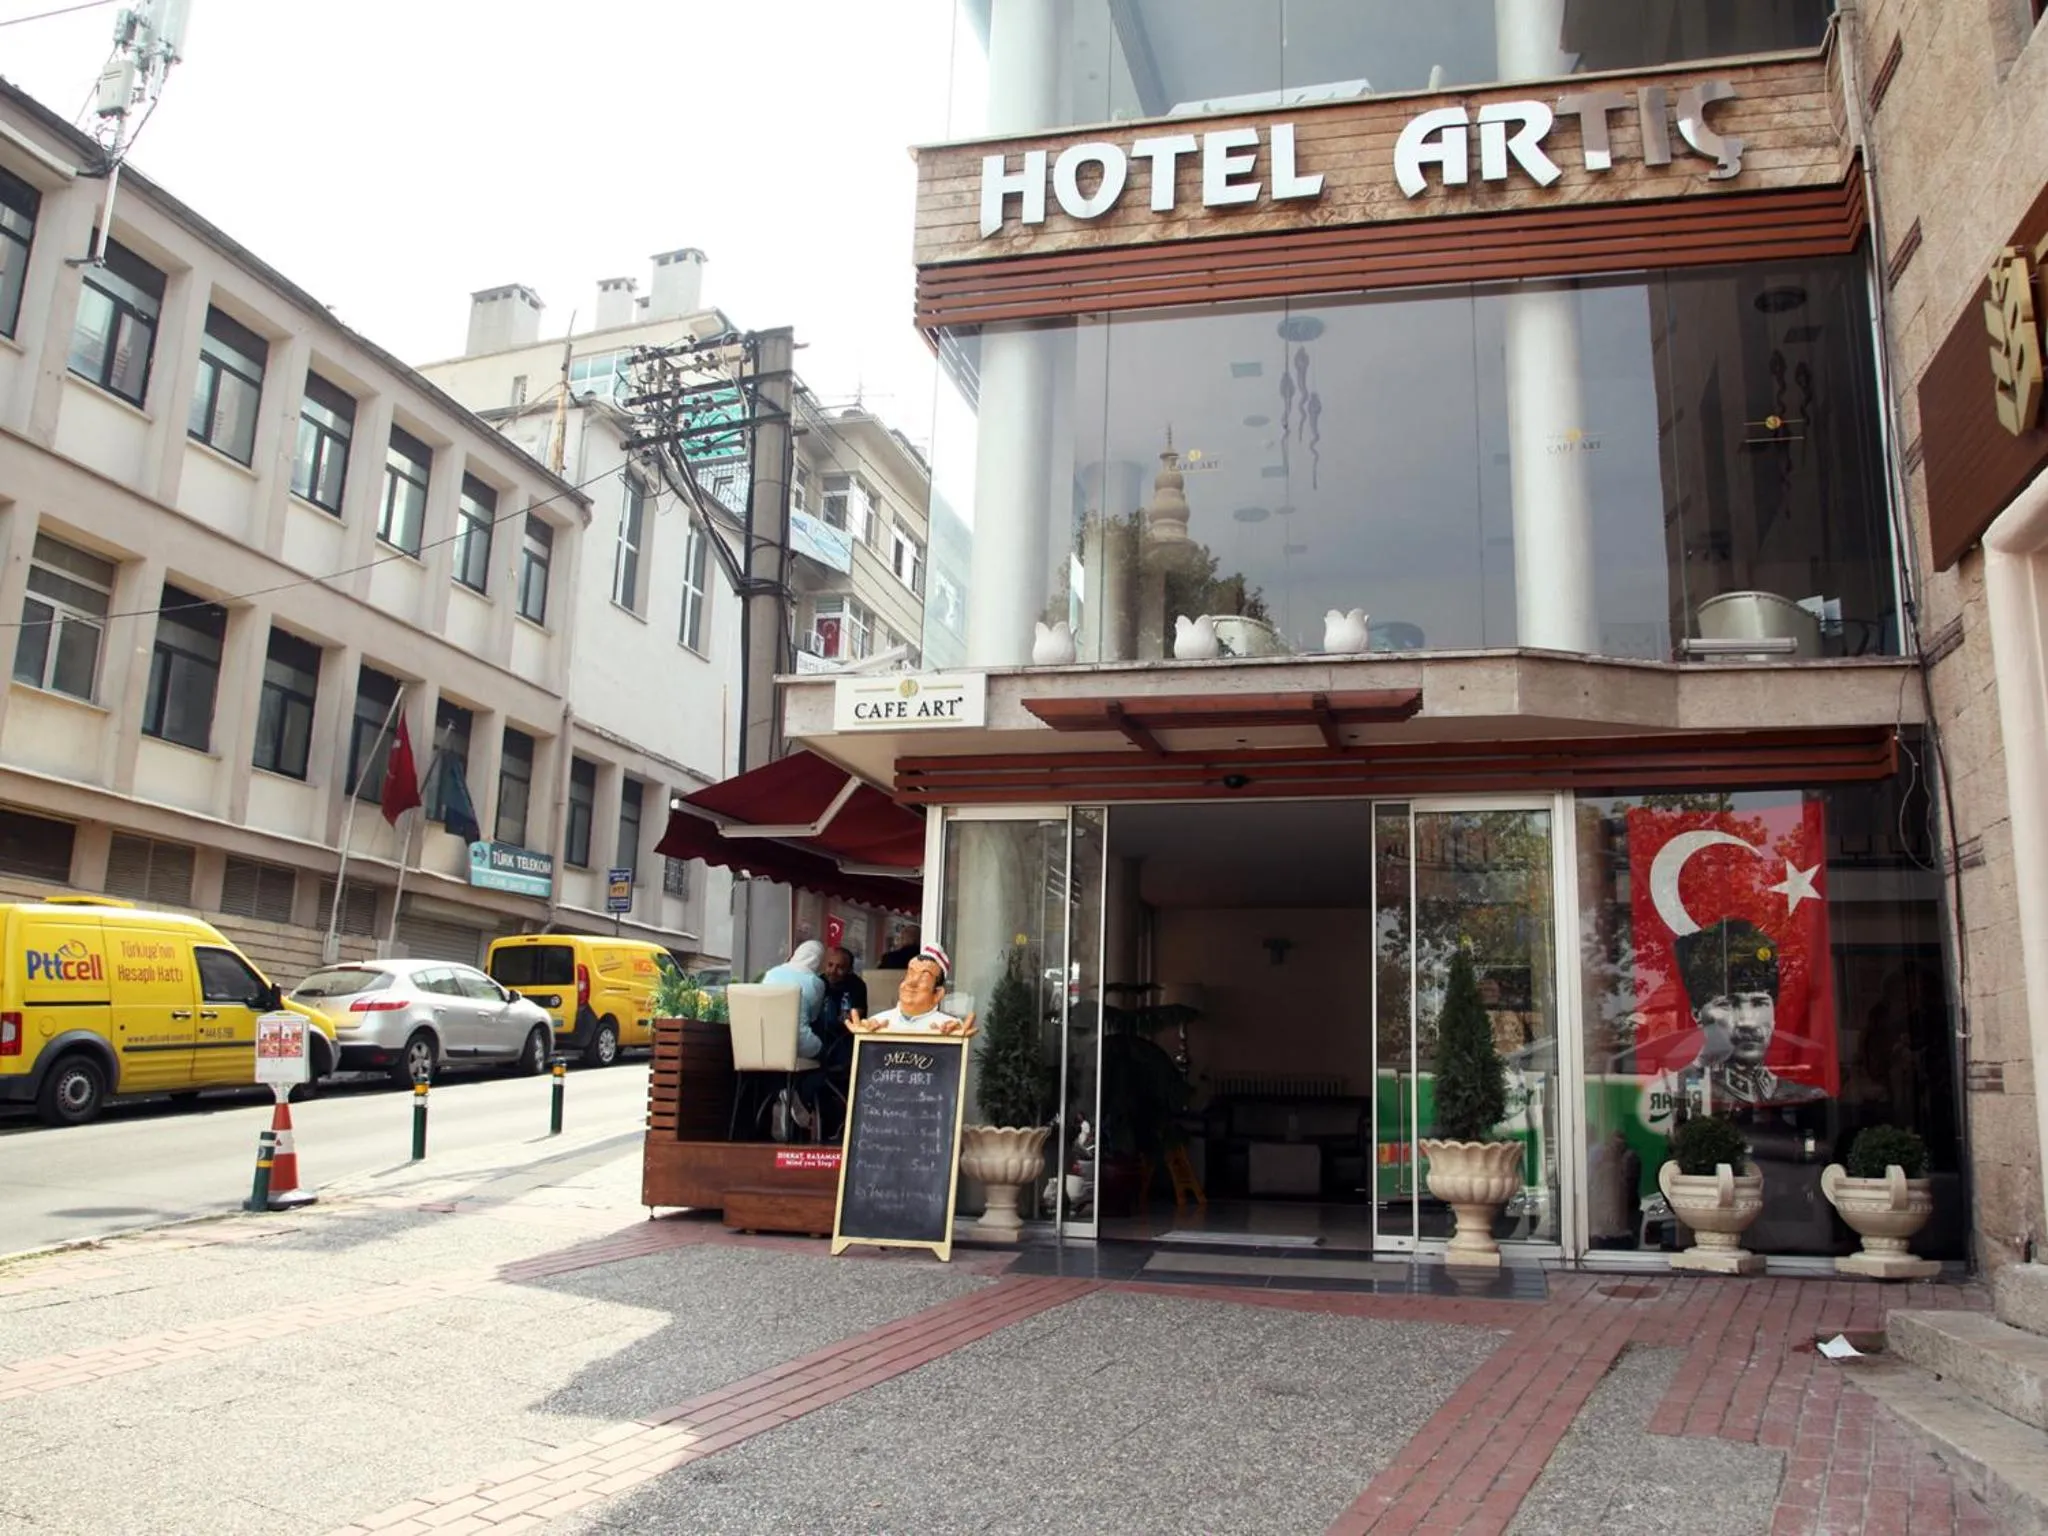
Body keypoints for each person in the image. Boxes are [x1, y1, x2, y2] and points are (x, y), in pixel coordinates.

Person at [1674, 918, 1825, 1107]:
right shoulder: (1675, 1092)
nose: (1747, 1021)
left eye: (1759, 1002)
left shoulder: (1804, 1097)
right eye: (1727, 1004)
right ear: (1697, 1014)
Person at [849, 944, 977, 1036]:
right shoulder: (877, 1023)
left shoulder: (948, 1027)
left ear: (938, 994)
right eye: (910, 974)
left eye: (924, 977)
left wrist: (955, 1040)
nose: (911, 982)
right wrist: (864, 1037)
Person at [760, 940, 828, 1058]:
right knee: (825, 1053)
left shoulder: (771, 973)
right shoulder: (815, 982)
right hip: (797, 1043)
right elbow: (814, 1017)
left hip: (763, 1041)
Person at [821, 946, 868, 1035]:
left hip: (845, 1038)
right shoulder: (819, 982)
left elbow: (855, 1017)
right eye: (830, 965)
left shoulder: (857, 985)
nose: (833, 971)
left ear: (849, 970)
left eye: (840, 967)